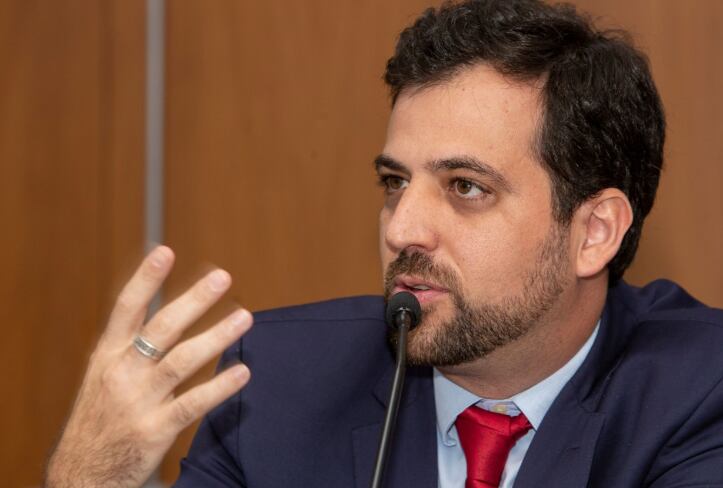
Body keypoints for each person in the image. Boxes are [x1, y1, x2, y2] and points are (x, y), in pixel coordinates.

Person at [46, 0, 723, 487]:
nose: (400, 229)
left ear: (593, 232)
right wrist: (91, 476)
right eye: (395, 182)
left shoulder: (699, 393)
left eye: (465, 187)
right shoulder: (275, 384)